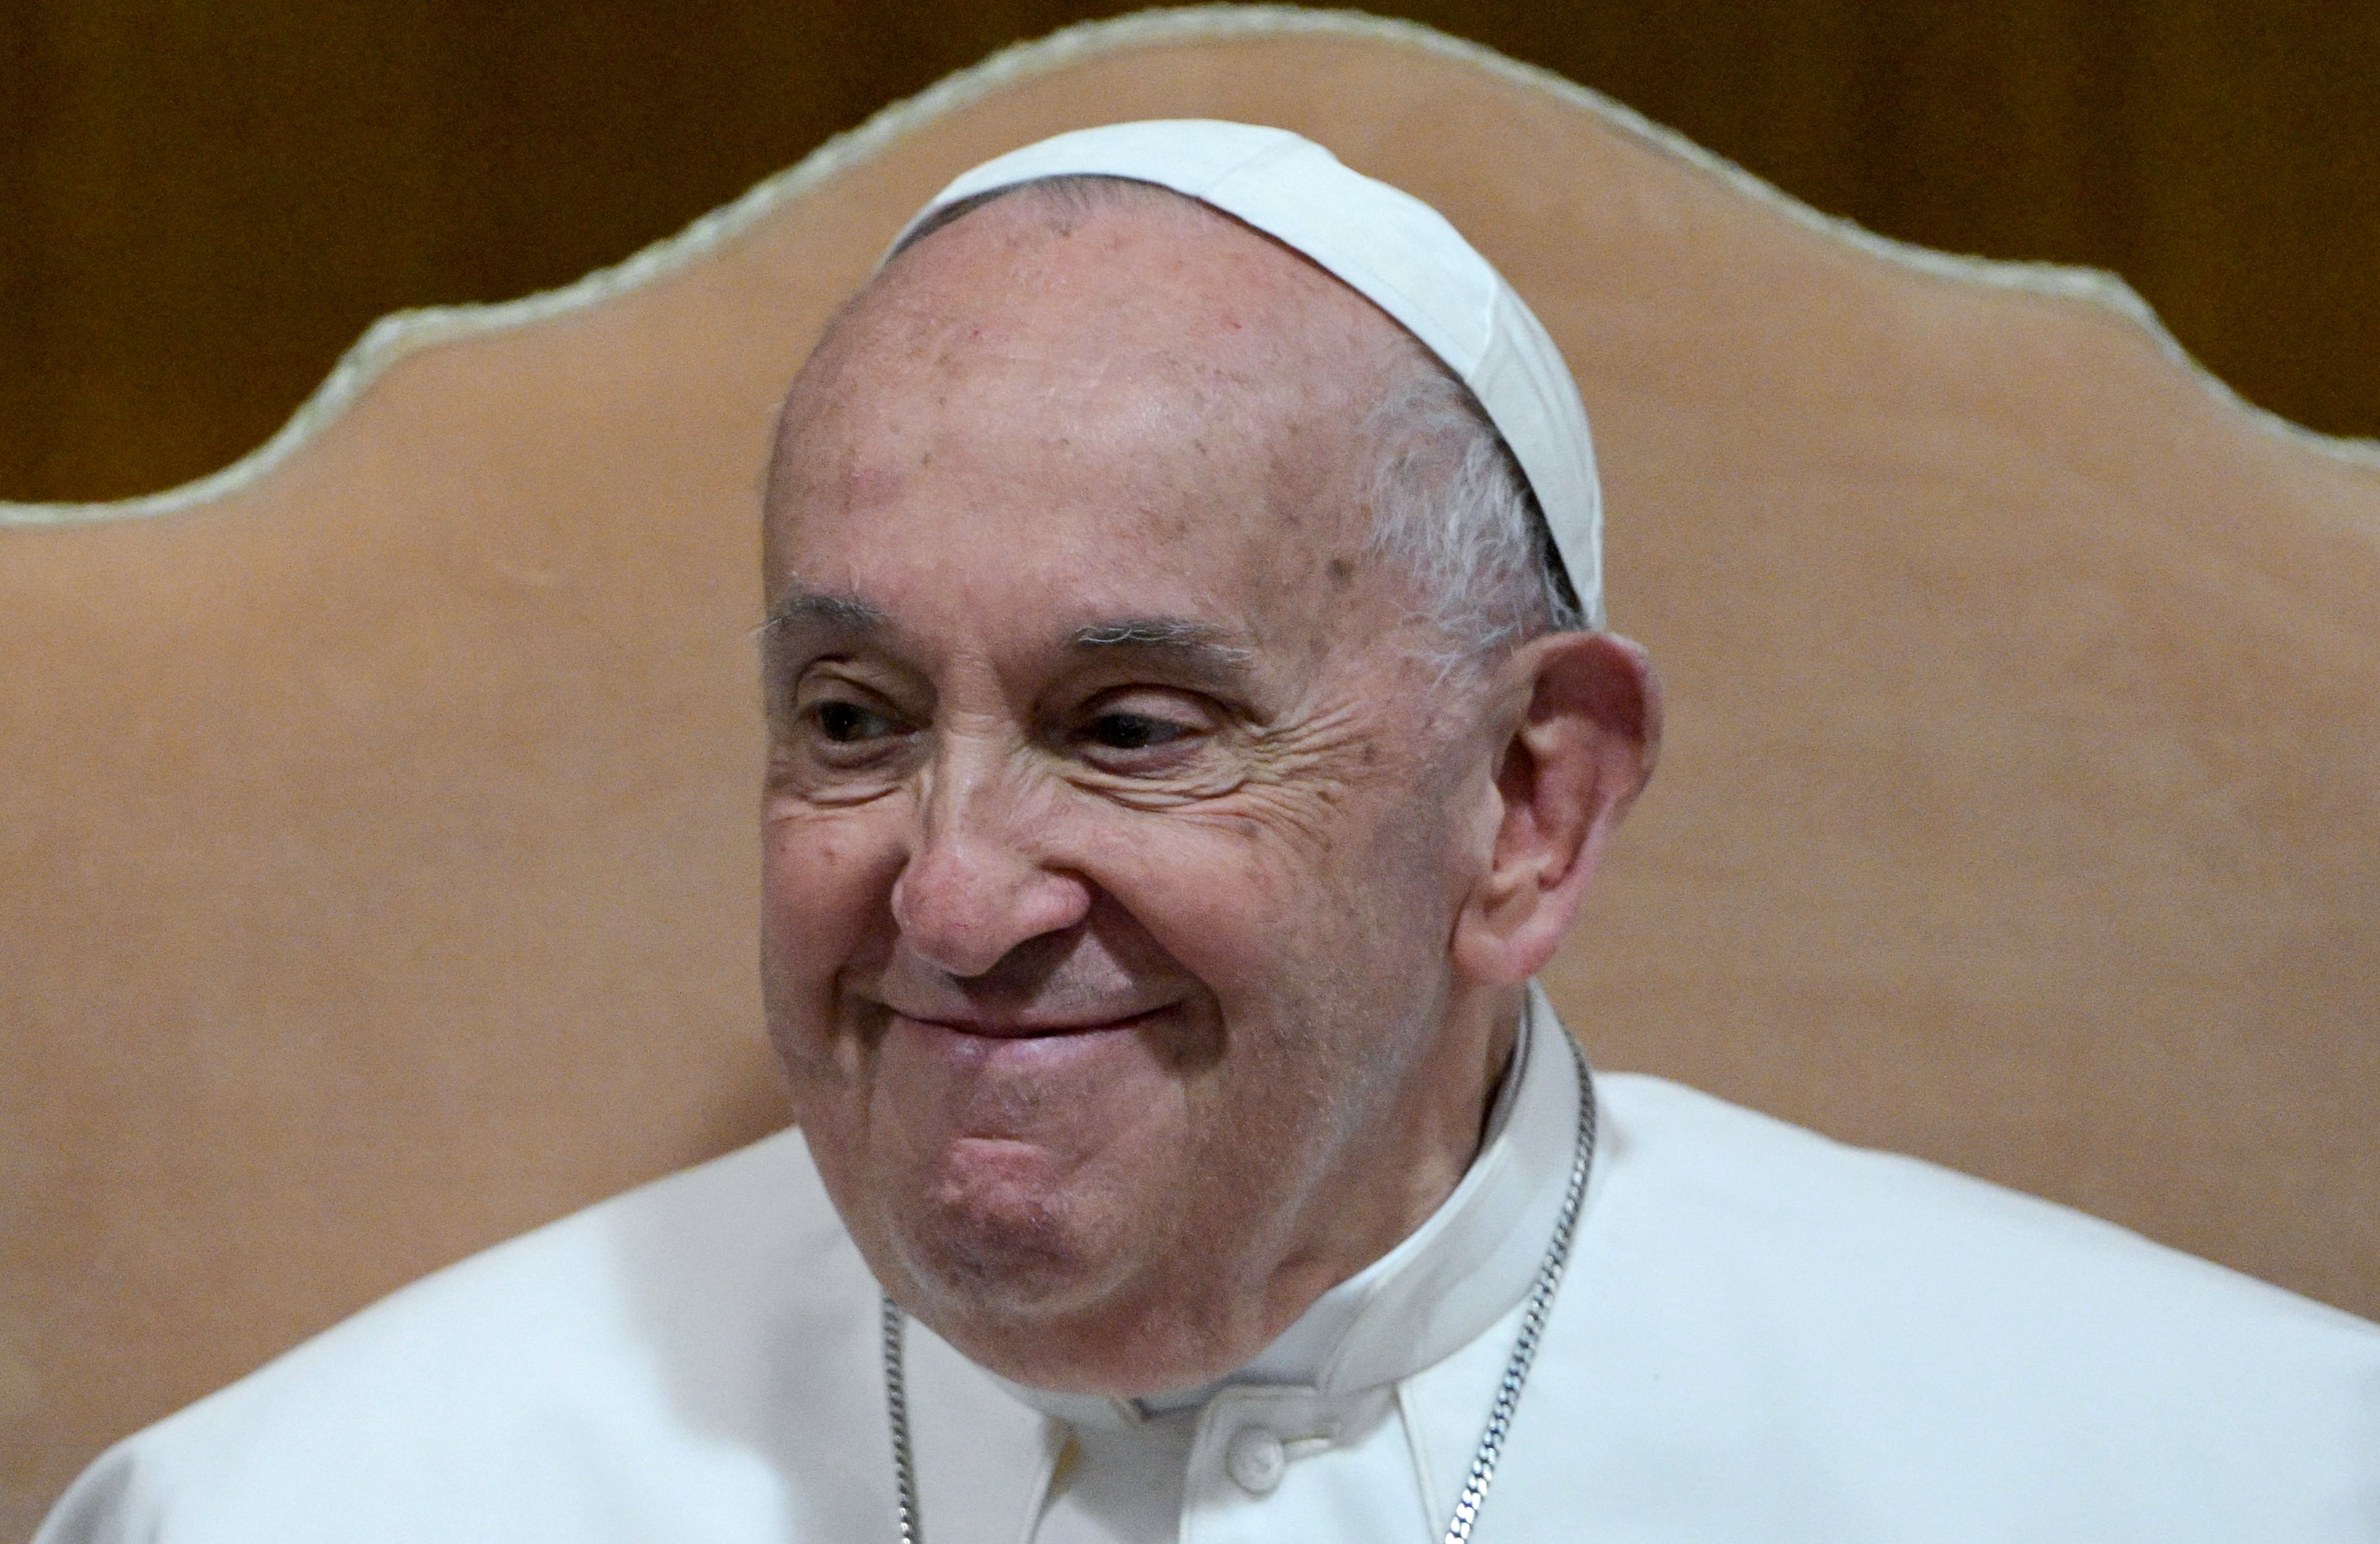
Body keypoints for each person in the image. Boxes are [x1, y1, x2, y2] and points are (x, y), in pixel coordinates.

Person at [36, 120, 2380, 1544]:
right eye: (852, 718)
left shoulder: (2235, 1487)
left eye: (1132, 724)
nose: (947, 892)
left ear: (1529, 806)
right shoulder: (295, 1522)